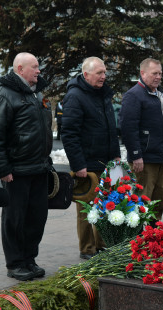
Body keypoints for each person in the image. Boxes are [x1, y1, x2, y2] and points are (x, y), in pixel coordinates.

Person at [0, 52, 51, 279]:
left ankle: (29, 259)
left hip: (38, 168)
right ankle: (15, 263)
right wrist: (2, 169)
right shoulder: (4, 95)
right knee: (15, 219)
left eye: (38, 66)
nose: (39, 70)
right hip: (16, 171)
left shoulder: (37, 93)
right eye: (34, 67)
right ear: (20, 69)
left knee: (36, 218)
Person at [62, 56, 121, 260]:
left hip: (106, 162)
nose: (104, 76)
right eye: (99, 73)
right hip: (87, 165)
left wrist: (116, 157)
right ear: (86, 74)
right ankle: (87, 248)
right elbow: (69, 133)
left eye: (105, 72)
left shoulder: (103, 94)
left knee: (106, 206)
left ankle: (101, 244)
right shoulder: (75, 96)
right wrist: (78, 164)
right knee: (87, 209)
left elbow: (110, 129)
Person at [120, 58, 163, 220]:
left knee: (158, 202)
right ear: (142, 73)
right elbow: (128, 128)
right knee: (141, 203)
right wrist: (136, 155)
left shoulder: (160, 94)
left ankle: (153, 237)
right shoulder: (134, 95)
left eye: (160, 74)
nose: (158, 77)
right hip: (144, 161)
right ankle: (136, 241)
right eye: (154, 73)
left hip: (160, 158)